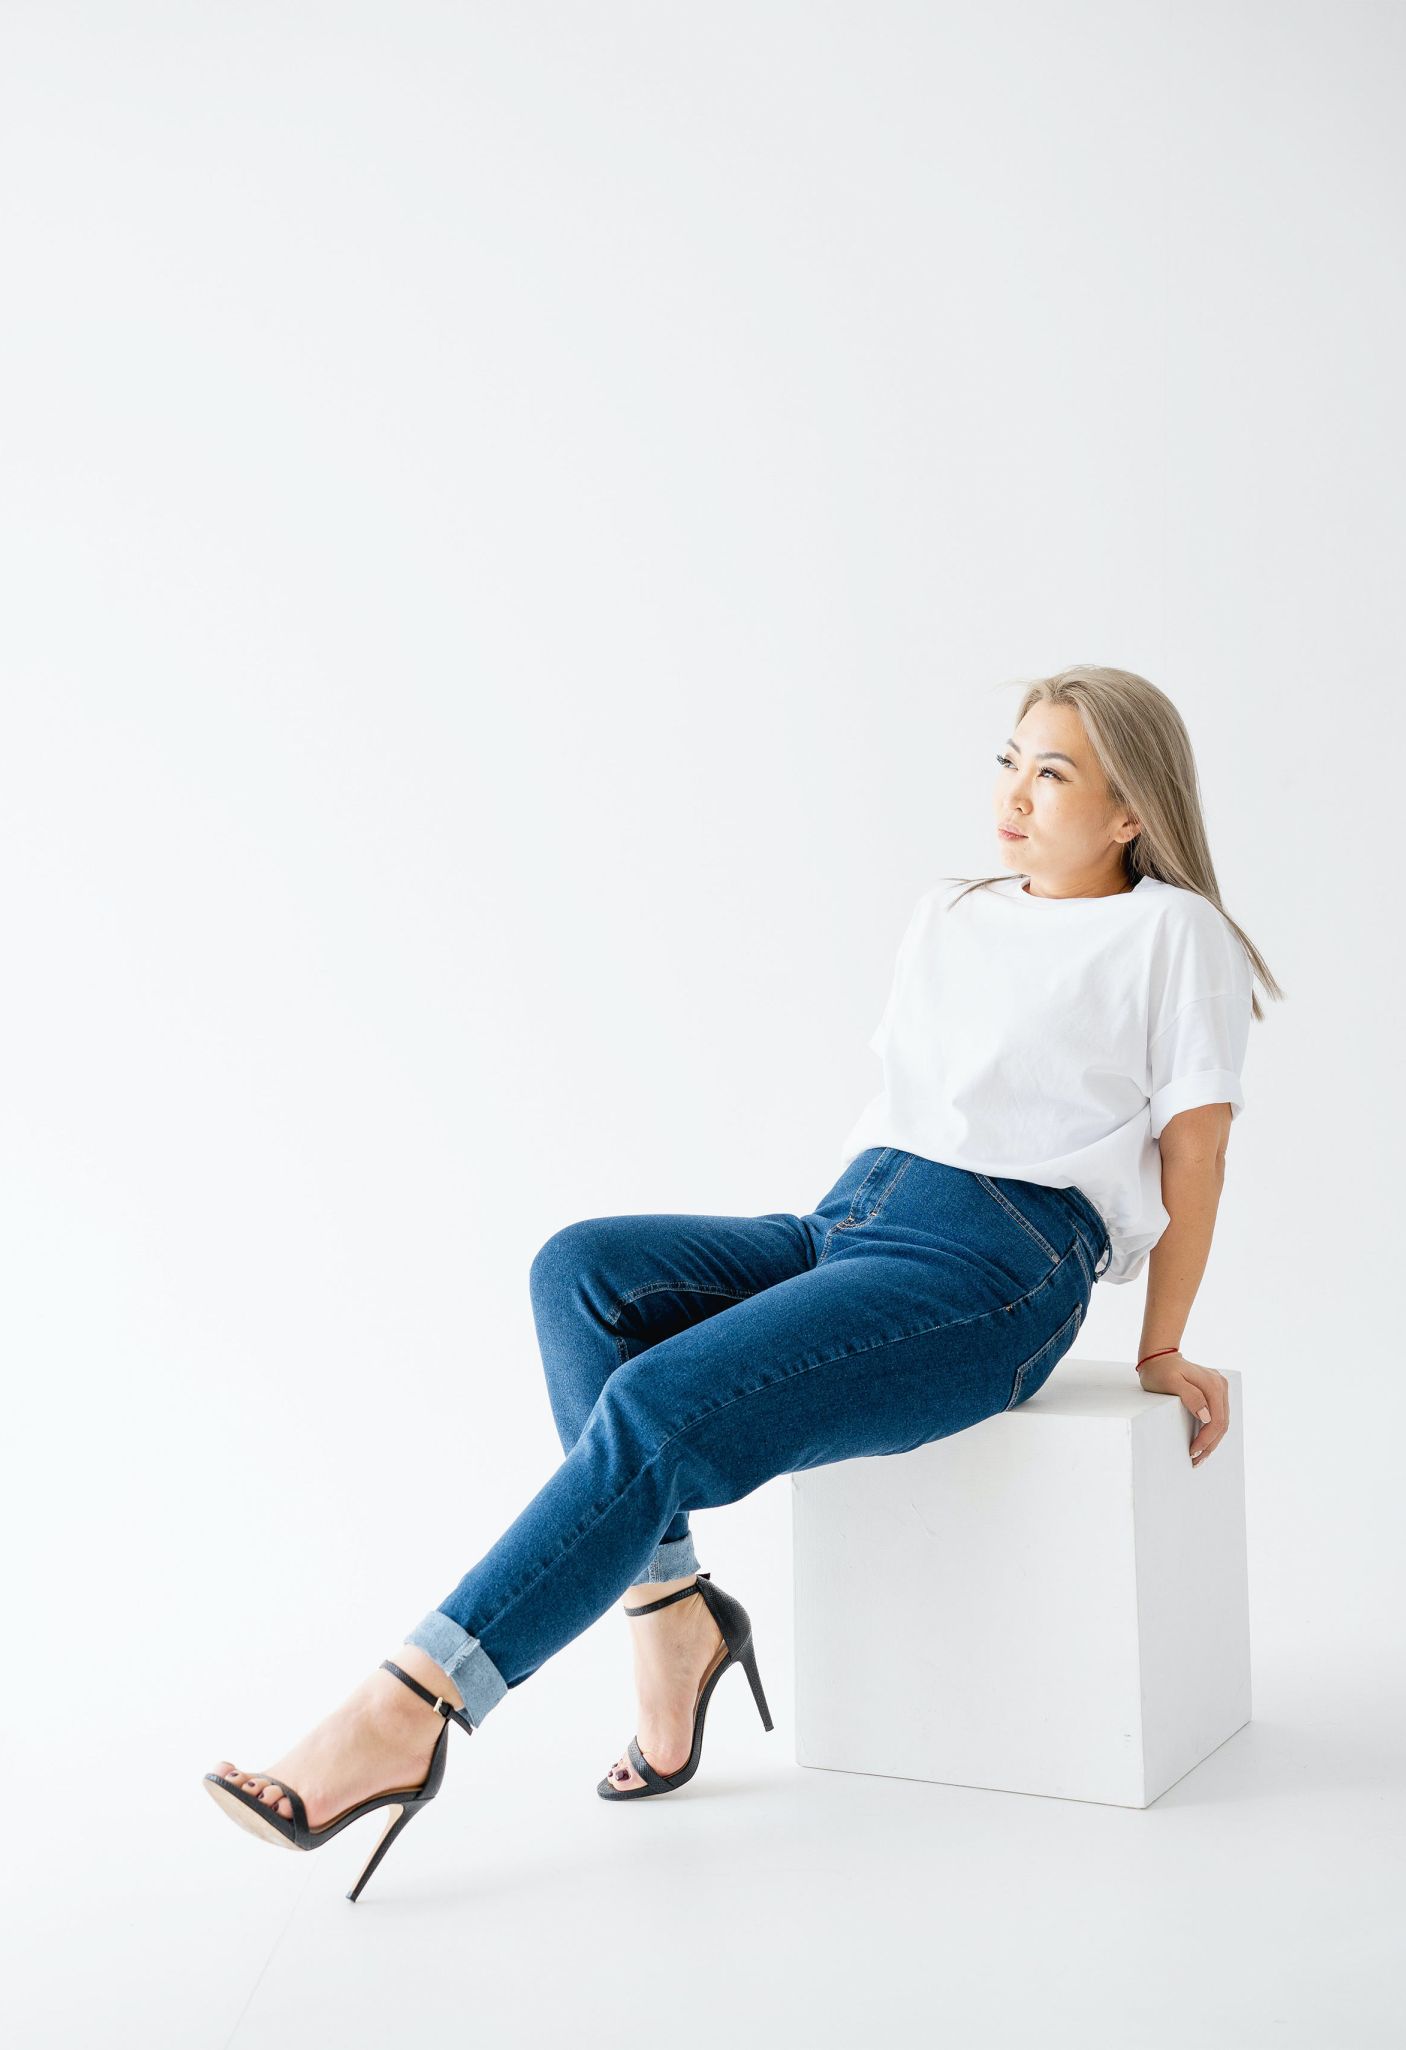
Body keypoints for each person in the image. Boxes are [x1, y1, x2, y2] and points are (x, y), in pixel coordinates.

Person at [202, 662, 1283, 1890]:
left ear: (1129, 809)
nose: (1014, 795)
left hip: (994, 1267)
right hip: (851, 1214)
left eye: (1052, 772)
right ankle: (673, 1616)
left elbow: (1196, 1153)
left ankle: (408, 1707)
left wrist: (1158, 1344)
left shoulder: (1169, 933)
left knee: (658, 1407)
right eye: (1007, 761)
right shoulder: (950, 909)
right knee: (580, 1273)